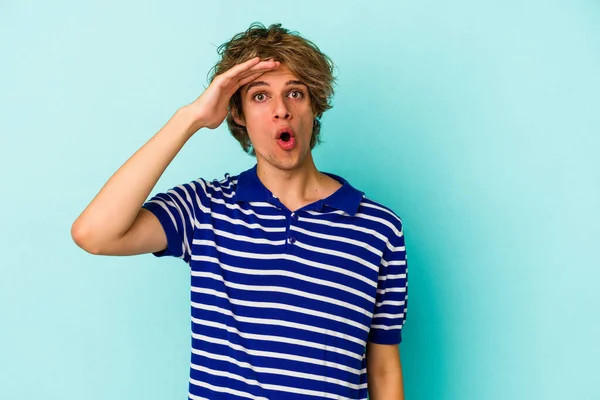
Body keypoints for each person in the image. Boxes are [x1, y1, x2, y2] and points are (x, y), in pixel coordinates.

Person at [71, 22, 408, 400]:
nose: (281, 110)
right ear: (238, 115)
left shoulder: (379, 227)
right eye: (260, 97)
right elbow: (94, 233)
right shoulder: (205, 208)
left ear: (314, 106)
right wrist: (192, 118)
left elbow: (382, 366)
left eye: (295, 93)